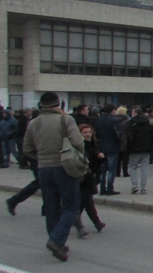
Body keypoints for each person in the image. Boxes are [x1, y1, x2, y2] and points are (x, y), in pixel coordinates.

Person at [22, 92, 85, 262]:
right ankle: (56, 240)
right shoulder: (66, 120)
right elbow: (78, 142)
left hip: (43, 168)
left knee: (51, 207)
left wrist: (41, 157)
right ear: (59, 105)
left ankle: (57, 241)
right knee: (71, 206)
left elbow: (27, 148)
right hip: (64, 166)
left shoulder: (33, 123)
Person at [75, 124, 106, 236]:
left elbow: (97, 162)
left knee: (84, 202)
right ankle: (93, 223)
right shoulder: (80, 146)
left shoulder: (94, 144)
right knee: (87, 201)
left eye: (89, 132)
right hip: (83, 176)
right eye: (85, 133)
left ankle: (76, 221)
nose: (88, 134)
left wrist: (101, 157)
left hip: (92, 175)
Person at [126, 107, 153, 194]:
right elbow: (152, 136)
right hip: (146, 148)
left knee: (132, 167)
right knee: (144, 168)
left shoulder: (131, 123)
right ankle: (143, 188)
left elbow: (128, 137)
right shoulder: (147, 123)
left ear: (135, 113)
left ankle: (135, 185)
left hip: (134, 148)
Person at [95, 104, 122, 195]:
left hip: (102, 147)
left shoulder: (99, 120)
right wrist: (119, 142)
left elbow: (96, 133)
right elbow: (117, 134)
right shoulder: (114, 120)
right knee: (111, 170)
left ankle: (102, 189)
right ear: (113, 110)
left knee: (103, 170)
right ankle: (110, 188)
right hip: (112, 147)